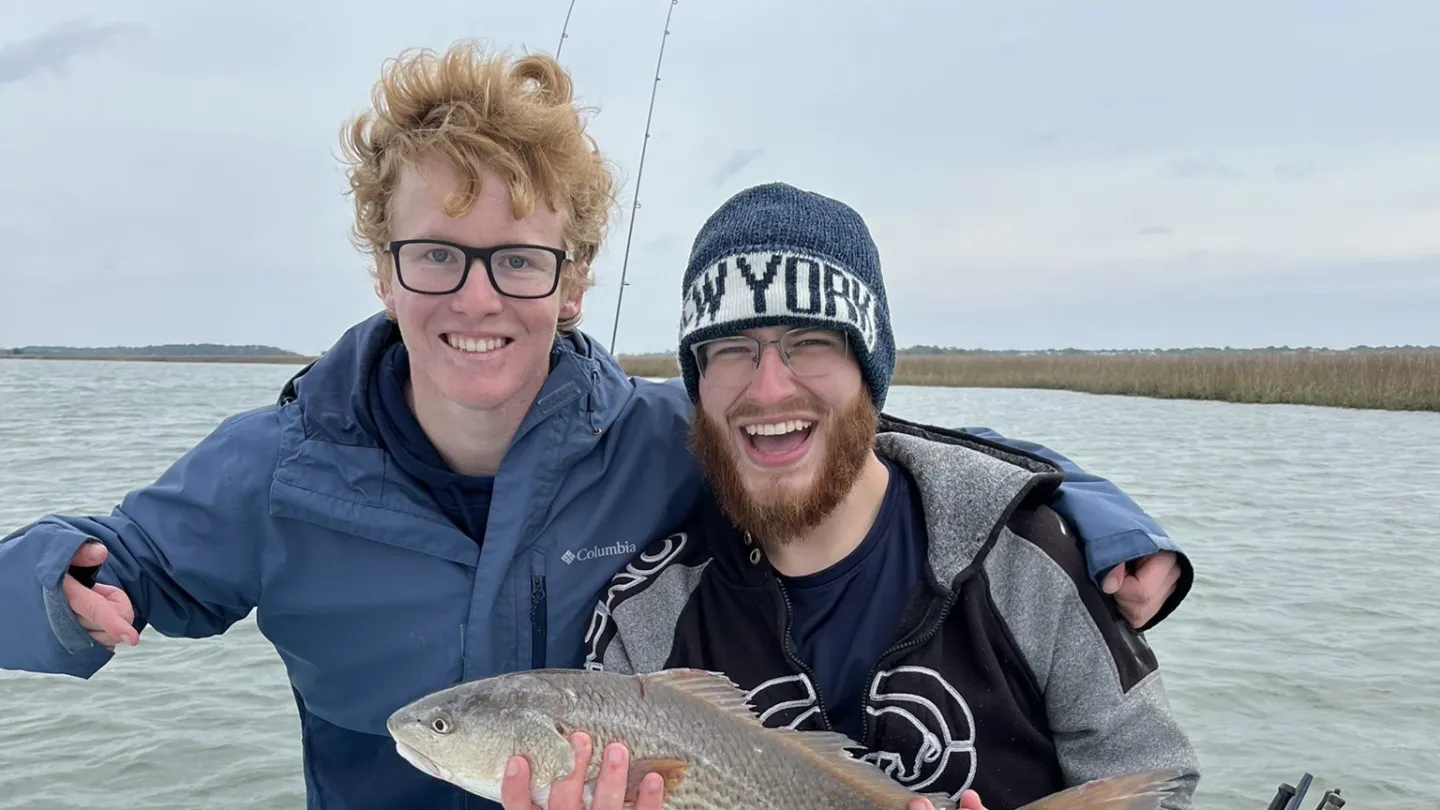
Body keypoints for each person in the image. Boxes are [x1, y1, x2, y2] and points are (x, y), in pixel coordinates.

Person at [0, 43, 1189, 810]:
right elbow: (114, 560)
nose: (477, 297)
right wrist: (62, 581)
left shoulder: (661, 435)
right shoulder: (273, 471)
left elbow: (862, 438)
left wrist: (1088, 512)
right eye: (437, 256)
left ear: (572, 282)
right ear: (383, 271)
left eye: (519, 260)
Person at [539, 183, 1199, 810]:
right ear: (699, 384)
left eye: (811, 344)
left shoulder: (1026, 554)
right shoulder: (645, 619)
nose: (769, 389)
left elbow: (1151, 775)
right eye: (732, 349)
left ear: (868, 373)